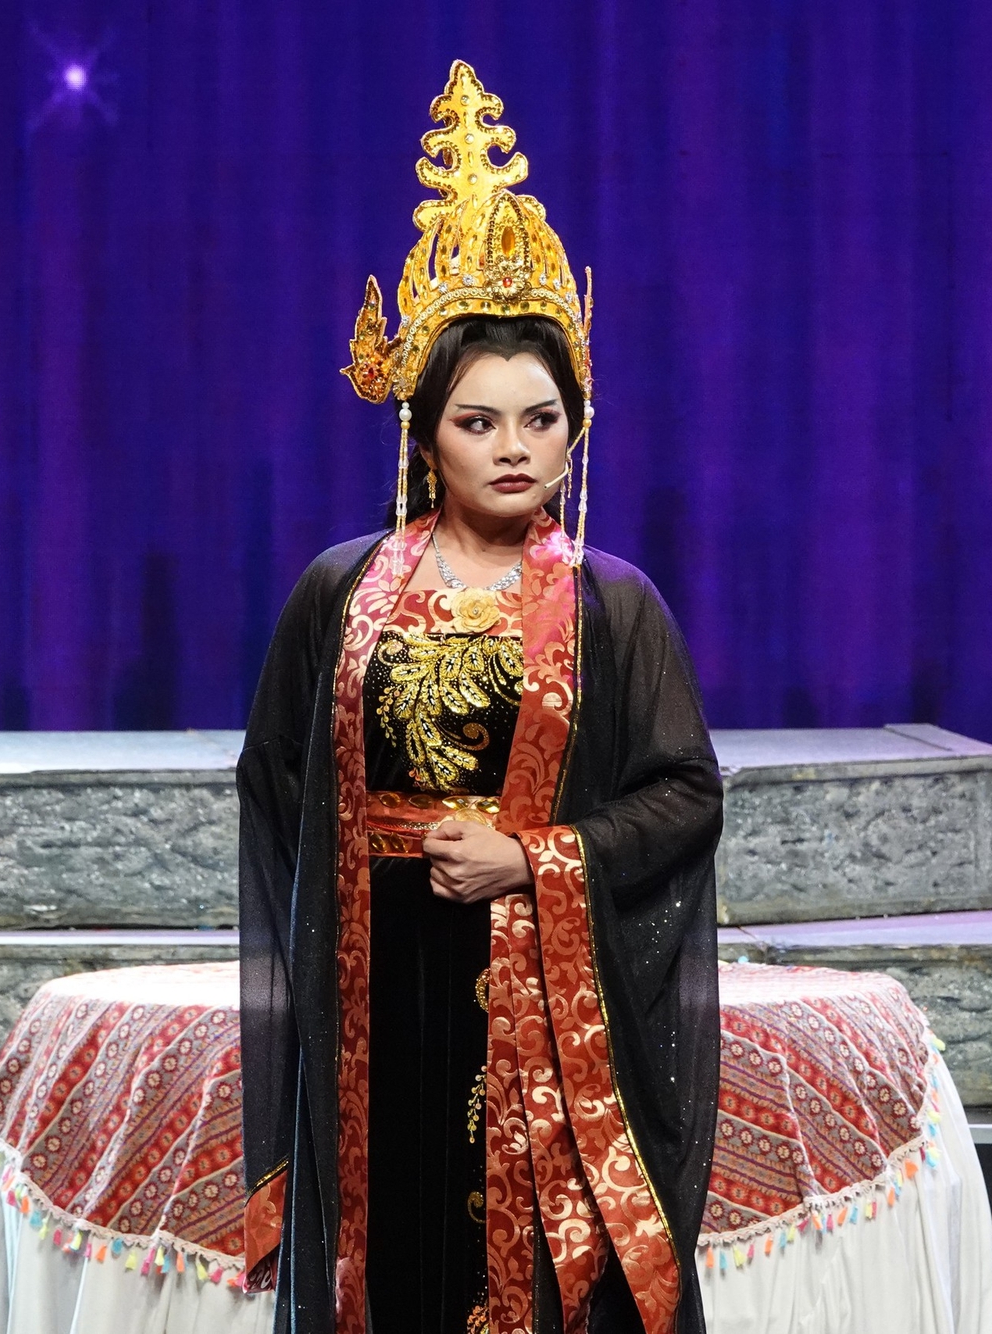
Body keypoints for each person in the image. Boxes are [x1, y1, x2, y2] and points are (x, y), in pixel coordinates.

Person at [237, 62, 722, 1334]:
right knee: (392, 1244)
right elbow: (272, 776)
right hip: (380, 977)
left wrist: (533, 857)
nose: (514, 447)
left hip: (544, 985)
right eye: (478, 420)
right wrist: (345, 901)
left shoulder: (613, 605)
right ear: (423, 434)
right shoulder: (341, 590)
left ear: (576, 427)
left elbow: (685, 794)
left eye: (541, 418)